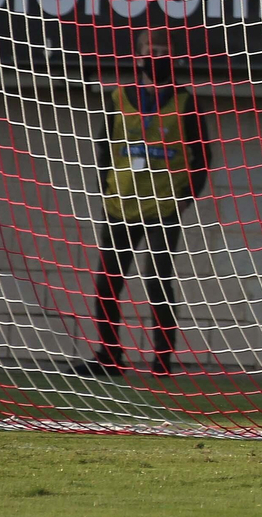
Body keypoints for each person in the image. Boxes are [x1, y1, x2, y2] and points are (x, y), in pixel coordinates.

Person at [73, 27, 212, 378]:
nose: (156, 56)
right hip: (120, 205)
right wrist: (105, 189)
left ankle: (162, 362)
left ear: (175, 57)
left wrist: (185, 198)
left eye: (163, 50)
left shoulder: (186, 101)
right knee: (107, 282)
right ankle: (110, 356)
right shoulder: (118, 97)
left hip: (163, 206)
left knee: (157, 282)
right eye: (151, 49)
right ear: (139, 54)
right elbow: (105, 148)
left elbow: (203, 157)